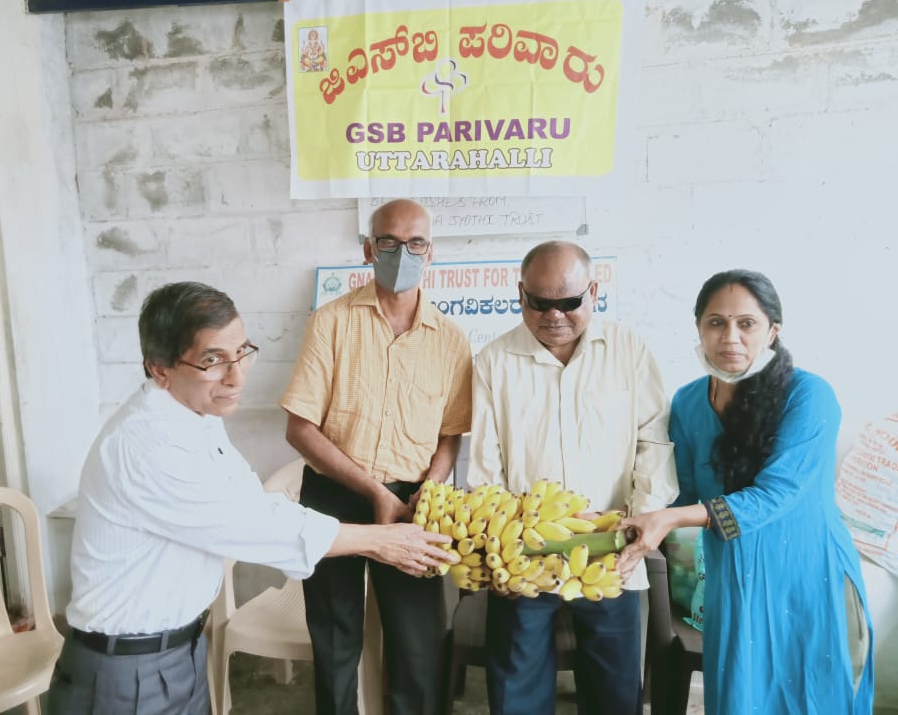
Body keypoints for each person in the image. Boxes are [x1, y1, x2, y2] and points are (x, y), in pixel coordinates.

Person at [48, 281, 454, 715]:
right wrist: (380, 540)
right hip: (125, 675)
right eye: (212, 360)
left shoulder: (197, 417)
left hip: (177, 656)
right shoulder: (148, 446)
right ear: (159, 368)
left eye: (242, 352)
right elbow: (253, 528)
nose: (236, 375)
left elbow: (254, 505)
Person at [618, 269, 874, 715]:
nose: (729, 336)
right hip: (734, 579)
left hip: (808, 577)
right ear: (698, 328)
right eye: (716, 322)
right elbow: (678, 491)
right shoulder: (688, 401)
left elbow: (775, 497)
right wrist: (617, 515)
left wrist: (671, 520)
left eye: (746, 323)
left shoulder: (811, 396)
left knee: (812, 697)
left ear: (773, 331)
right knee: (741, 698)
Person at [280, 198, 473, 715]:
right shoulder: (331, 322)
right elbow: (300, 428)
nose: (403, 253)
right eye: (389, 242)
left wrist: (429, 491)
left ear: (431, 253)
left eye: (416, 243)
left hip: (415, 501)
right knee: (336, 639)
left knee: (418, 643)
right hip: (333, 495)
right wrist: (372, 492)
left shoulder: (451, 341)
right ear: (369, 249)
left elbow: (451, 435)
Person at [468, 240, 678, 715]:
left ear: (594, 293)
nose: (554, 316)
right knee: (516, 693)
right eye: (540, 303)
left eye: (569, 303)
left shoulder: (628, 350)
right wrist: (499, 545)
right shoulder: (492, 363)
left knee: (615, 693)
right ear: (520, 294)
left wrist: (639, 525)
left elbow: (655, 443)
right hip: (523, 554)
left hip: (612, 550)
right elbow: (485, 466)